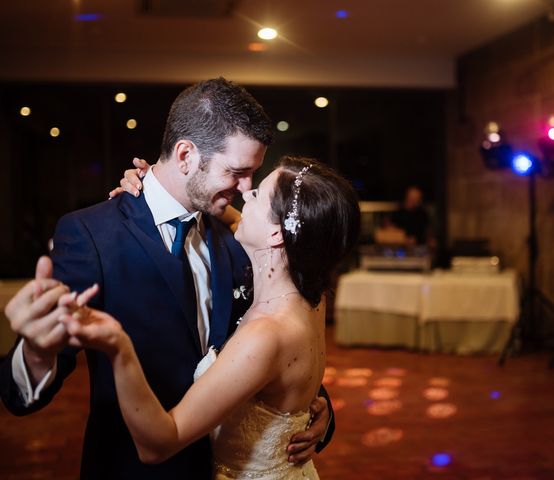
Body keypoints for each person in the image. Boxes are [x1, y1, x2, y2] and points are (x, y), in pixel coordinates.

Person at [0, 78, 333, 479]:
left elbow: (271, 346)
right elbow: (18, 397)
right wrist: (37, 352)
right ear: (186, 155)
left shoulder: (241, 242)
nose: (247, 189)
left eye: (254, 175)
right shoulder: (93, 235)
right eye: (237, 172)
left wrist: (310, 407)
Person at [57, 156, 361, 479]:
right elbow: (288, 378)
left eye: (257, 194)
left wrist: (118, 348)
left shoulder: (267, 333)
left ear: (277, 235)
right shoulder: (309, 297)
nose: (246, 194)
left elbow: (159, 443)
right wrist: (158, 186)